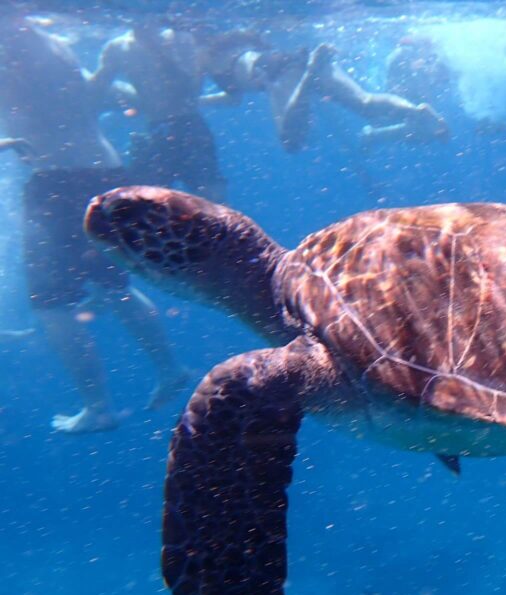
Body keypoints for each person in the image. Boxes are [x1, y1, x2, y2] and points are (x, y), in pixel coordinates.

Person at [0, 11, 188, 433]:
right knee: (114, 286)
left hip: (55, 181)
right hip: (104, 173)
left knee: (51, 304)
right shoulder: (53, 44)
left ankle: (97, 407)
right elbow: (92, 95)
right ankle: (170, 367)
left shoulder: (8, 45)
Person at [202, 40, 447, 152]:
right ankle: (416, 109)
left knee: (289, 141)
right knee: (366, 102)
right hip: (300, 56)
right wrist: (200, 101)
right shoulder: (232, 46)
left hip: (277, 72)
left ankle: (309, 74)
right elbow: (232, 99)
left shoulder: (210, 63)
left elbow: (233, 96)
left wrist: (196, 100)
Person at [89, 16, 226, 198]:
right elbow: (95, 91)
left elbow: (189, 91)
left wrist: (156, 50)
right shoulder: (117, 48)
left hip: (189, 128)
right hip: (157, 130)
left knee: (213, 200)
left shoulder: (181, 39)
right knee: (141, 204)